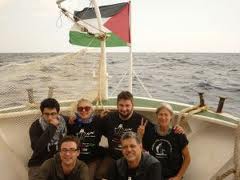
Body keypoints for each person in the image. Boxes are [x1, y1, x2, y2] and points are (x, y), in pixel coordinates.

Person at [98, 91, 184, 179]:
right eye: (121, 105)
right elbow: (95, 128)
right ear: (117, 105)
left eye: (127, 105)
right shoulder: (109, 118)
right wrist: (98, 117)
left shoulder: (142, 121)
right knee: (101, 174)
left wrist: (176, 128)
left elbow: (159, 131)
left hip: (134, 157)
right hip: (113, 157)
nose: (124, 109)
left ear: (132, 105)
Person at [144, 103, 191, 180]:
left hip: (173, 177)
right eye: (161, 114)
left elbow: (187, 158)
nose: (163, 117)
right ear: (156, 116)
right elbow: (142, 151)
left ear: (171, 116)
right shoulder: (150, 132)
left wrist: (178, 177)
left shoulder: (178, 133)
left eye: (166, 115)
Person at [28, 98, 68, 180]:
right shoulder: (35, 126)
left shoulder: (63, 121)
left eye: (53, 114)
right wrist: (52, 127)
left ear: (58, 113)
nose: (50, 117)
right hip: (39, 163)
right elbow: (36, 148)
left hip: (58, 161)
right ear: (42, 113)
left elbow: (74, 120)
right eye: (46, 114)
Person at [67, 98, 106, 180]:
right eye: (80, 109)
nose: (83, 110)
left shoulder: (98, 121)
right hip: (76, 159)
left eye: (87, 108)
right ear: (77, 110)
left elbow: (111, 131)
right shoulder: (72, 123)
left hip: (92, 159)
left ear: (92, 110)